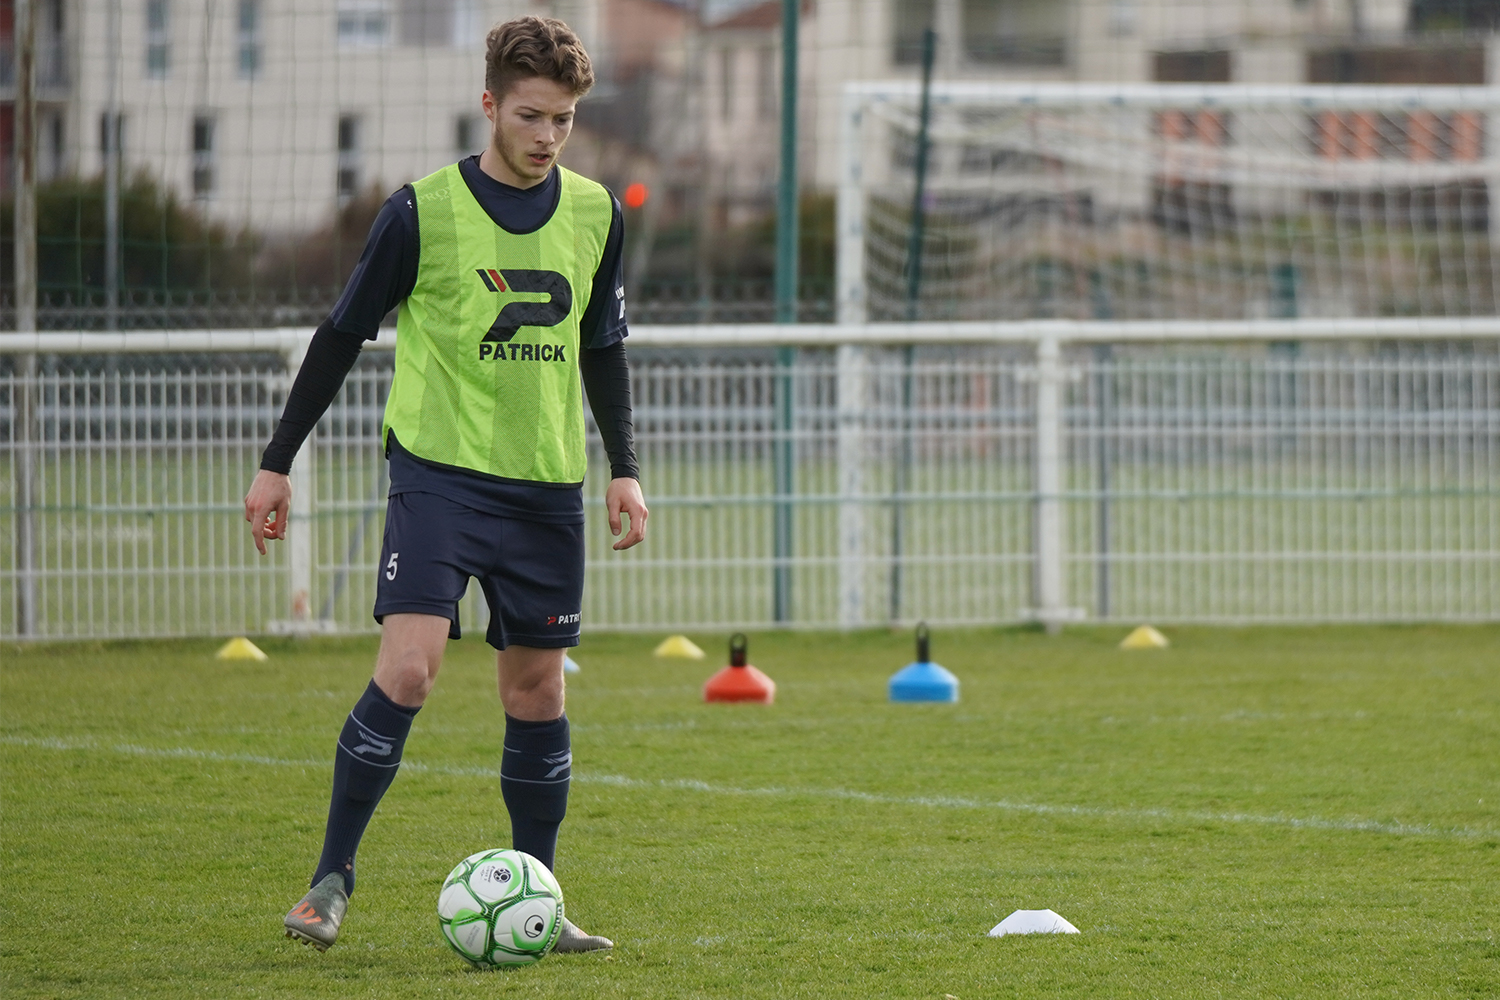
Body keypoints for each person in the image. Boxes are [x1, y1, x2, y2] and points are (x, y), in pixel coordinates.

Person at [243, 15, 646, 954]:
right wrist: (277, 459)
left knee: (538, 694)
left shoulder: (597, 213)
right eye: (533, 116)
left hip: (547, 489)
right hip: (439, 479)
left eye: (567, 120)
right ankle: (329, 882)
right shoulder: (420, 211)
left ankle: (537, 901)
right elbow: (341, 335)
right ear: (491, 105)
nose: (549, 137)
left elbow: (604, 347)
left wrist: (624, 469)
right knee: (412, 668)